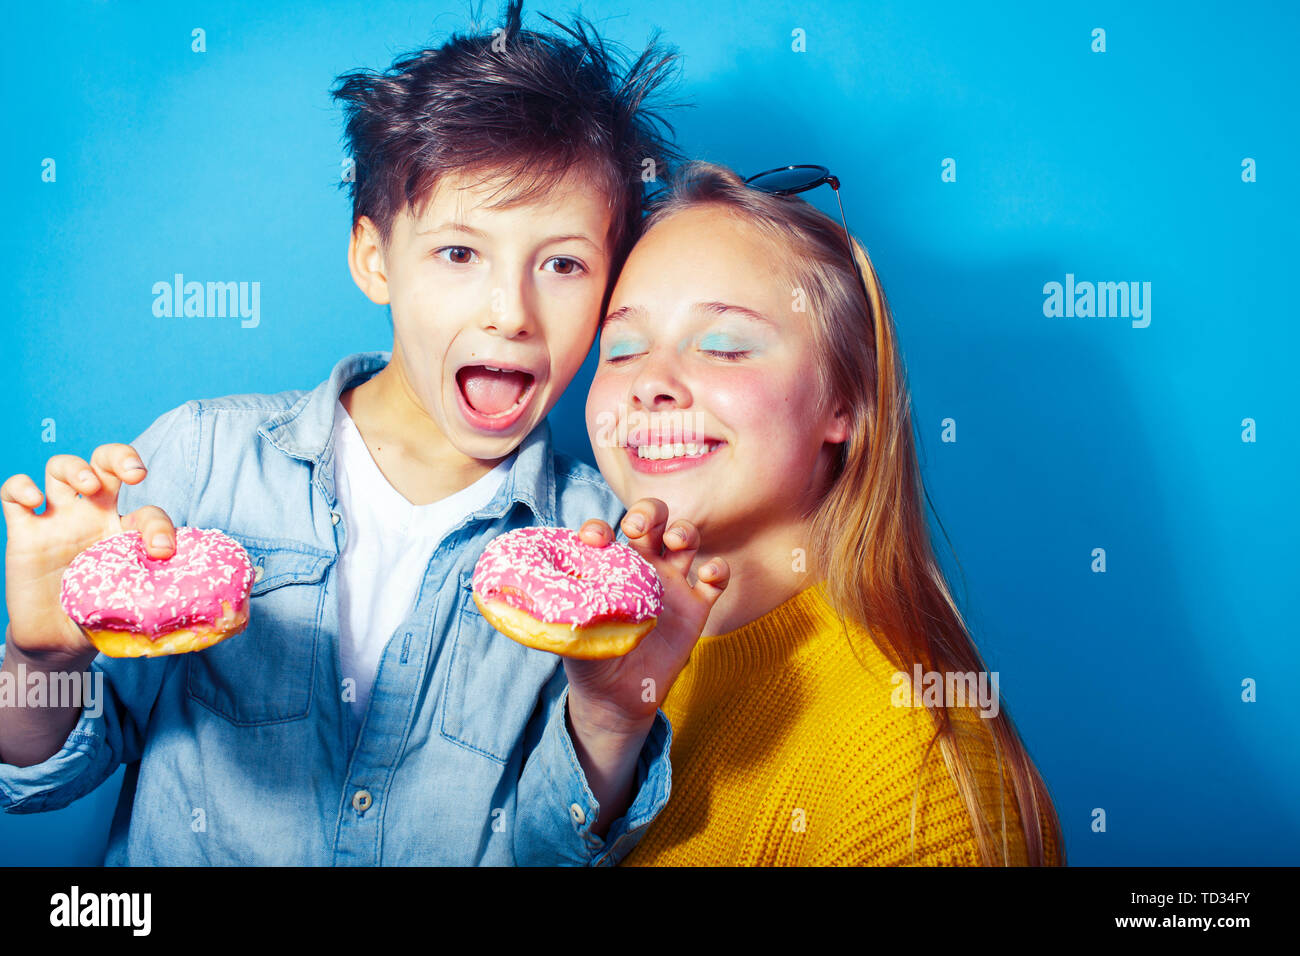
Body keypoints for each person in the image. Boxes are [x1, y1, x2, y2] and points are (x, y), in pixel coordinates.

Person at [0, 1, 729, 866]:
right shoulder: (202, 462)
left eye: (563, 264)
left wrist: (612, 717)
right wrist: (37, 651)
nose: (510, 314)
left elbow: (547, 850)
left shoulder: (601, 552)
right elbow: (39, 775)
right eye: (459, 254)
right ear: (374, 258)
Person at [579, 161, 1066, 865]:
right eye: (622, 349)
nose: (650, 382)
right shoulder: (602, 672)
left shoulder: (913, 784)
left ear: (844, 405)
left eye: (723, 346)